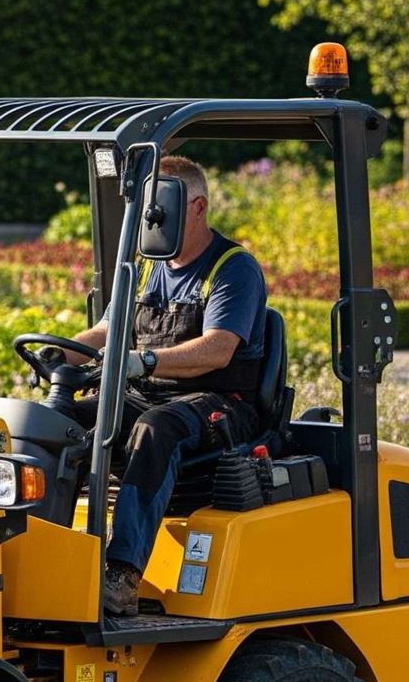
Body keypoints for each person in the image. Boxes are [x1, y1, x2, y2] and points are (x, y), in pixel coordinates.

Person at [67, 155, 269, 615]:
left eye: (161, 205)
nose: (151, 218)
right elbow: (106, 331)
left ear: (195, 207)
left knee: (156, 429)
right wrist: (61, 352)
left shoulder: (233, 268)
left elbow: (218, 349)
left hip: (222, 402)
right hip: (150, 392)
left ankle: (121, 574)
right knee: (60, 420)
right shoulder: (145, 267)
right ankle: (38, 547)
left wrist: (147, 360)